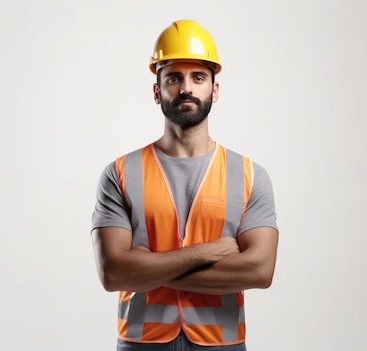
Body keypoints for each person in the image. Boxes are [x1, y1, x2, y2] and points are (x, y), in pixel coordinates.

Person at [91, 19, 279, 351]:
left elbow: (260, 270)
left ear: (214, 90)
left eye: (198, 78)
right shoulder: (119, 173)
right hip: (141, 343)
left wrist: (147, 267)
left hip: (221, 344)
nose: (186, 88)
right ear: (157, 90)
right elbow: (113, 274)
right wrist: (210, 252)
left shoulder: (249, 174)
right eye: (174, 78)